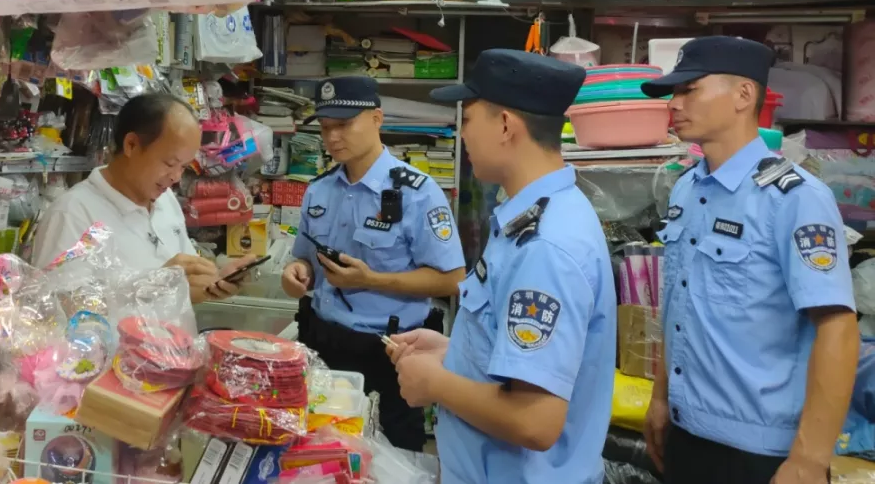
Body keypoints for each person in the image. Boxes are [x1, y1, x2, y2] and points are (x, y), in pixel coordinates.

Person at [388, 49, 616, 484]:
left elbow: (535, 421)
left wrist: (435, 384)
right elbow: (522, 356)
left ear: (506, 125)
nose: (462, 133)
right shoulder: (530, 216)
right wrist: (454, 355)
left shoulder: (545, 244)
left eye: (469, 118)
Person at [640, 36, 859, 484]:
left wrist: (809, 457)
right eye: (673, 93)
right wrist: (661, 399)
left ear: (743, 95)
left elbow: (838, 328)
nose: (674, 104)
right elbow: (679, 306)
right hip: (686, 431)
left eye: (689, 90)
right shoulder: (687, 189)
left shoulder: (794, 198)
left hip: (758, 451)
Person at [281, 76, 466, 451]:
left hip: (389, 352)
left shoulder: (418, 193)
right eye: (325, 127)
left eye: (344, 125)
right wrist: (296, 272)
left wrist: (372, 280)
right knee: (319, 455)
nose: (333, 137)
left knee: (393, 460)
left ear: (377, 119)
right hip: (322, 345)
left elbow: (452, 279)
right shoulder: (319, 189)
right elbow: (305, 260)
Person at [32, 92, 244, 303]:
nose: (176, 177)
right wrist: (151, 285)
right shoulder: (72, 215)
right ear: (131, 145)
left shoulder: (166, 201)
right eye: (170, 163)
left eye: (184, 167)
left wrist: (214, 284)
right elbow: (58, 308)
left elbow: (181, 292)